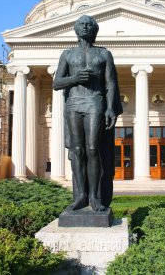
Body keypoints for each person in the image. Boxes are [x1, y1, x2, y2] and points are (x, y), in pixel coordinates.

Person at [53, 15, 122, 211]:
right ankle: (81, 195)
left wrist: (110, 108)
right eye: (81, 24)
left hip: (95, 102)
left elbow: (110, 83)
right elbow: (57, 83)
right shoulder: (67, 55)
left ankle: (94, 196)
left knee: (93, 149)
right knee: (77, 151)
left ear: (95, 30)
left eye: (89, 24)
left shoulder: (104, 54)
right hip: (74, 104)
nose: (85, 27)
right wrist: (74, 78)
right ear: (76, 29)